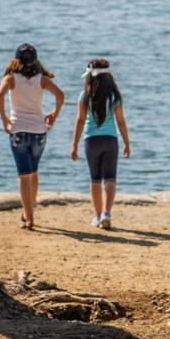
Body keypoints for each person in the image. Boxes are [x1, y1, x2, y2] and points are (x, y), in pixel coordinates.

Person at [0, 43, 65, 230]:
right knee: (33, 172)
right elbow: (60, 95)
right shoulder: (41, 79)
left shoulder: (11, 79)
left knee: (24, 175)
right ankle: (28, 212)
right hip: (38, 131)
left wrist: (4, 119)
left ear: (16, 60)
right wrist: (54, 115)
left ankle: (29, 219)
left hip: (18, 129)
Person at [69, 58, 131, 230]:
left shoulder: (85, 96)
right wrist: (127, 142)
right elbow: (121, 121)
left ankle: (97, 216)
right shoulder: (114, 96)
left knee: (95, 179)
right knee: (110, 178)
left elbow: (80, 120)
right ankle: (106, 213)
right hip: (110, 139)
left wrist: (74, 144)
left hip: (91, 140)